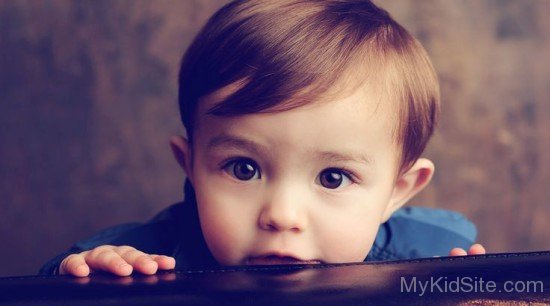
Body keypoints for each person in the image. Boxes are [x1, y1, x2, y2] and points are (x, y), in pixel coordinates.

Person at [39, 0, 486, 277]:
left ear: (397, 190)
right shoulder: (147, 263)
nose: (282, 216)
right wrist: (77, 278)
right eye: (243, 168)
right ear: (190, 167)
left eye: (333, 177)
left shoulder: (431, 261)